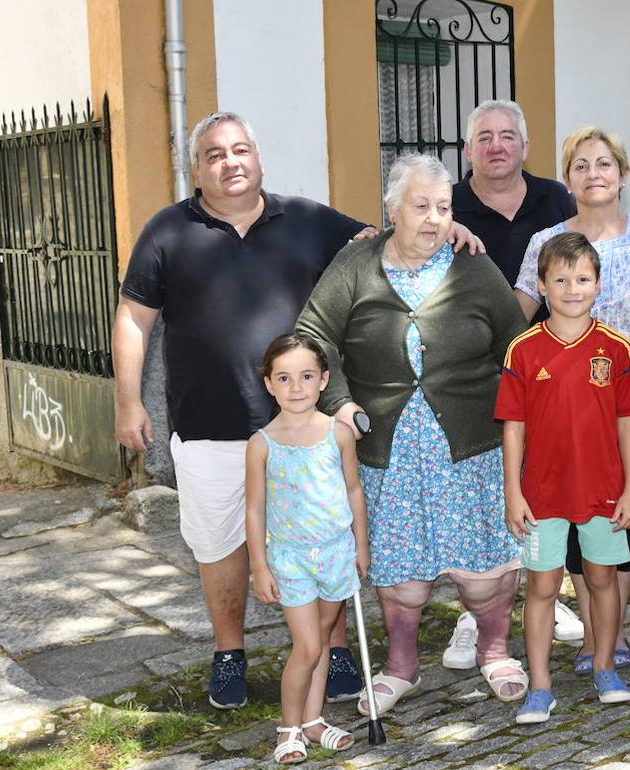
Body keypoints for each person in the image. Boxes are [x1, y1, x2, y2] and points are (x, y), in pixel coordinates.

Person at [113, 112, 482, 710]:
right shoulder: (166, 232)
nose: (230, 162)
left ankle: (335, 650)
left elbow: (388, 236)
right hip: (209, 426)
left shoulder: (309, 220)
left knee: (321, 535)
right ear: (196, 169)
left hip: (305, 429)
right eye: (214, 154)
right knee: (220, 544)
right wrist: (128, 399)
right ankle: (229, 654)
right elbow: (135, 318)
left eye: (240, 150)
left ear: (259, 158)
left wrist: (444, 221)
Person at [296, 153, 529, 714]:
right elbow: (313, 334)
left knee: (485, 566)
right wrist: (340, 402)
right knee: (400, 574)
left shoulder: (472, 265)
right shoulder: (356, 265)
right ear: (391, 210)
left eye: (443, 207)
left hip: (471, 446)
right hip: (389, 449)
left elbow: (516, 344)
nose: (432, 219)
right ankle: (402, 669)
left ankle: (494, 651)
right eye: (420, 206)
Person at [514, 127, 630, 674]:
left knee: (621, 511)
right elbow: (516, 314)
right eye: (581, 165)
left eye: (605, 164)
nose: (594, 174)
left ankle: (614, 632)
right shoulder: (546, 242)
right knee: (575, 512)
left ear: (623, 174)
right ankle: (591, 638)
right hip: (566, 405)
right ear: (568, 178)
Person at [445, 99, 583, 667]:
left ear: (525, 147)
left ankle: (544, 592)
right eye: (484, 137)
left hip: (549, 364)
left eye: (507, 135)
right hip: (469, 371)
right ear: (469, 149)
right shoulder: (444, 204)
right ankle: (473, 615)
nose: (496, 145)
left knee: (542, 481)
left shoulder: (556, 198)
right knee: (482, 488)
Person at [498, 232, 630, 724]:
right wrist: (513, 491)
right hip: (541, 494)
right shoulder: (522, 350)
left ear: (598, 285)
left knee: (602, 579)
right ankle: (540, 685)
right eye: (560, 279)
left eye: (582, 278)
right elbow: (513, 426)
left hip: (604, 491)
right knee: (542, 588)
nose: (571, 288)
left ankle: (604, 664)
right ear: (541, 285)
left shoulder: (616, 348)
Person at [244, 333, 368, 764]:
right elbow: (256, 510)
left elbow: (354, 491)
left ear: (323, 380)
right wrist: (259, 566)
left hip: (336, 553)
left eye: (306, 376)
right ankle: (288, 728)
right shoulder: (262, 444)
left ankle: (313, 722)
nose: (296, 387)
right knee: (309, 646)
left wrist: (361, 547)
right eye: (284, 378)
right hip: (291, 559)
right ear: (269, 385)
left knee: (322, 643)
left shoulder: (338, 434)